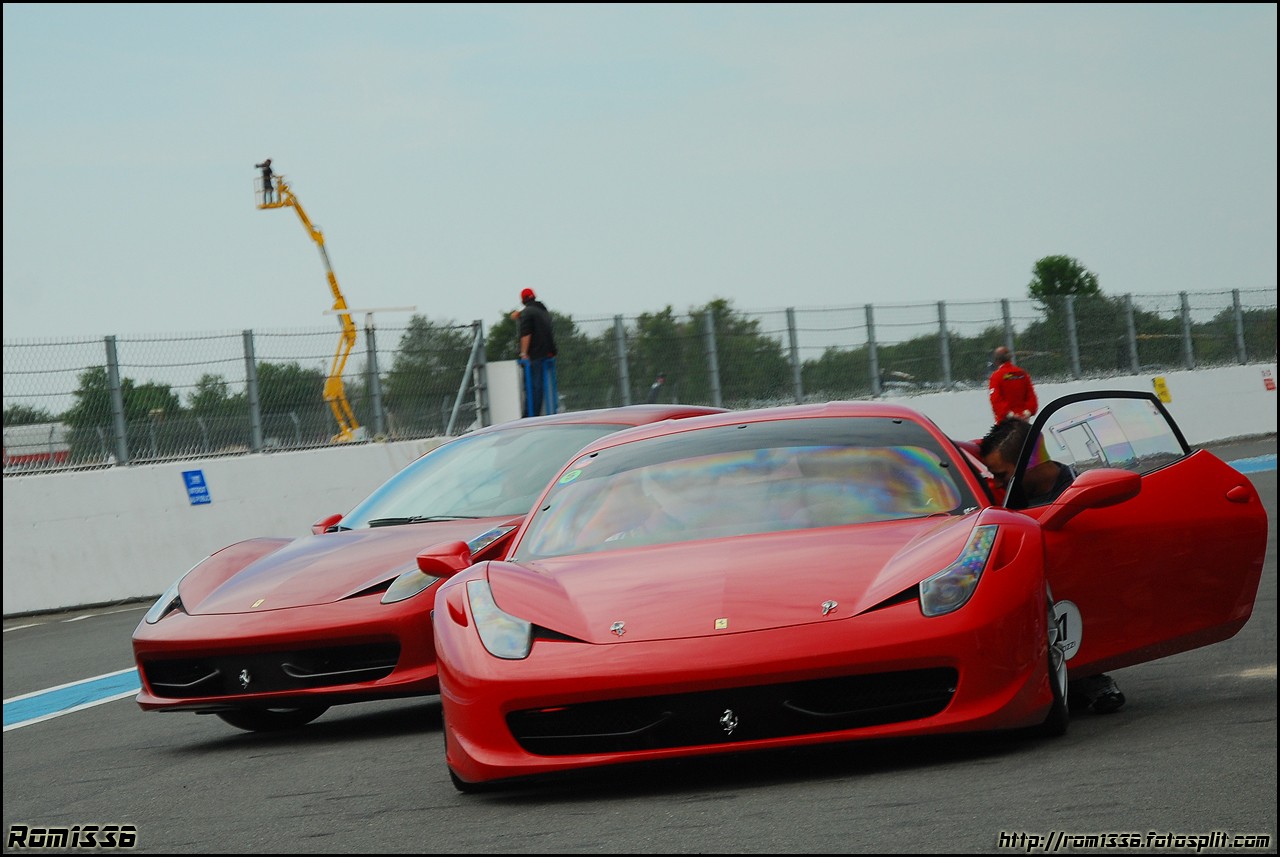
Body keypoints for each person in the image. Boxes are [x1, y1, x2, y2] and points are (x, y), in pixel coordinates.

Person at [978, 417, 1126, 715]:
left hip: (1080, 591)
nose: (997, 483)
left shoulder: (1078, 488)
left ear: (1027, 464)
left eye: (1002, 475)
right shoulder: (1002, 497)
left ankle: (1088, 674)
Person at [515, 287, 558, 417]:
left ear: (523, 300)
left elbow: (526, 333)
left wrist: (524, 353)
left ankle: (530, 416)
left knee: (532, 387)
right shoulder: (543, 311)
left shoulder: (527, 312)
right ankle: (539, 414)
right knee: (541, 387)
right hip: (547, 354)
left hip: (535, 355)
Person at [987, 345, 1037, 424]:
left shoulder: (996, 376)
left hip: (1005, 425)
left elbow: (995, 400)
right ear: (1010, 358)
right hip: (1024, 423)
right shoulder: (1022, 374)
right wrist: (1027, 412)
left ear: (997, 361)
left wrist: (1010, 415)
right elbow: (1031, 397)